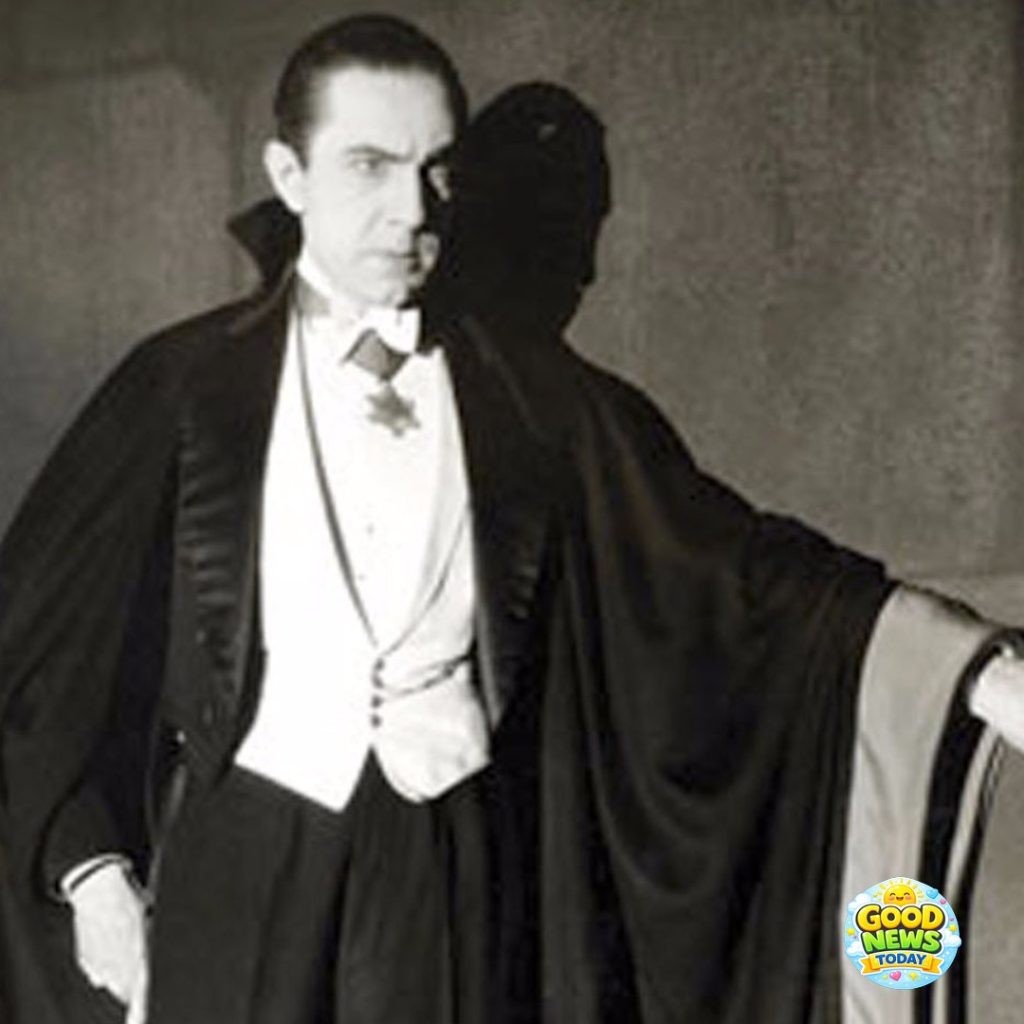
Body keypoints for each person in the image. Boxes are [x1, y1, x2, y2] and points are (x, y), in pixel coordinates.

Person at [0, 14, 1022, 1024]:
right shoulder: (181, 388)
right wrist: (88, 868)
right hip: (243, 863)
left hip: (455, 867)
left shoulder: (536, 398)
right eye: (369, 165)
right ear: (288, 174)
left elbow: (730, 572)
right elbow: (36, 651)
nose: (410, 209)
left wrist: (967, 668)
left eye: (436, 170)